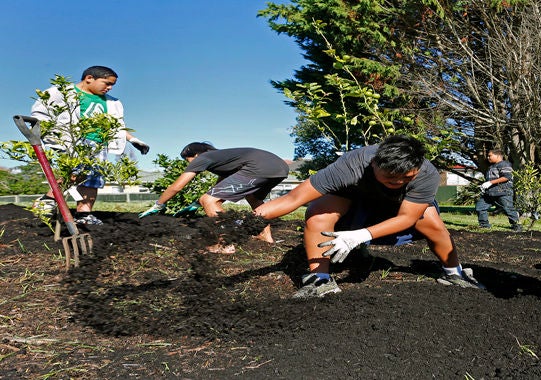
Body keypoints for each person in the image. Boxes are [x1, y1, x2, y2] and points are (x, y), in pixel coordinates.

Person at [254, 135, 483, 299]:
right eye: (391, 178)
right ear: (373, 163)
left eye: (406, 178)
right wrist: (243, 223)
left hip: (402, 207)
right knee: (317, 214)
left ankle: (455, 272)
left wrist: (359, 236)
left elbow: (406, 218)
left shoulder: (426, 174)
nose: (398, 183)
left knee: (432, 222)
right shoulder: (350, 166)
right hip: (356, 198)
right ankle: (319, 279)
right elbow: (293, 199)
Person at [31, 66, 150, 225]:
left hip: (99, 145)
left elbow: (116, 126)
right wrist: (43, 132)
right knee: (76, 173)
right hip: (72, 141)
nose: (109, 87)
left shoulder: (112, 102)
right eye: (106, 83)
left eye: (112, 85)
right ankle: (47, 200)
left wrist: (134, 140)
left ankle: (83, 215)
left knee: (94, 178)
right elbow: (40, 113)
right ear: (89, 78)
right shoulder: (61, 92)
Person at [138, 142, 288, 249]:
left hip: (259, 167)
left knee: (207, 200)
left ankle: (225, 245)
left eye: (187, 160)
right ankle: (266, 237)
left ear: (195, 155)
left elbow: (177, 186)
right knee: (254, 199)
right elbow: (219, 188)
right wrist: (197, 204)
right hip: (279, 167)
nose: (188, 164)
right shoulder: (224, 159)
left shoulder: (203, 158)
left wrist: (159, 204)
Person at [475, 149, 522, 232]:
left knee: (508, 209)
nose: (488, 157)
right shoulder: (491, 166)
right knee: (480, 207)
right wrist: (485, 186)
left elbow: (507, 177)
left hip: (503, 192)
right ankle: (484, 225)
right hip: (490, 193)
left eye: (490, 155)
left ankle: (517, 226)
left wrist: (490, 182)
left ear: (498, 156)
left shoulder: (505, 164)